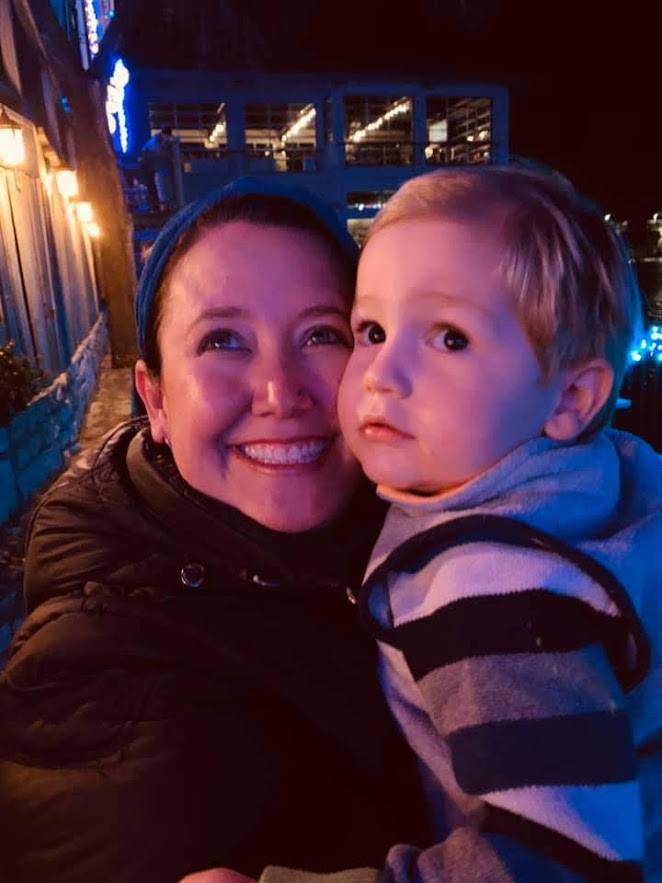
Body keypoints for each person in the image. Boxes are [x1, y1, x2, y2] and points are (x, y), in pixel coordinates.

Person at [197, 165, 662, 883]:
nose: (381, 372)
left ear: (571, 398)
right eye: (371, 330)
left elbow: (566, 859)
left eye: (449, 339)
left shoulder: (493, 593)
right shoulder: (604, 488)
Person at [0, 177, 431, 883]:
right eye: (222, 340)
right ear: (156, 401)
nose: (280, 392)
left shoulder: (436, 542)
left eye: (322, 334)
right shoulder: (97, 673)